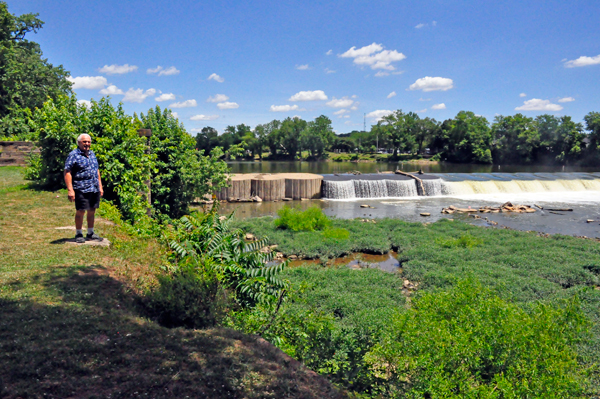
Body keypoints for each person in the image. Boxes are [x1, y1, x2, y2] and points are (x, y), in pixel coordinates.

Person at [64, 133, 104, 243]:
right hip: (80, 188)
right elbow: (67, 171)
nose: (87, 144)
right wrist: (70, 189)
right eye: (84, 142)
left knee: (92, 210)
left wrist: (100, 186)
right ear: (79, 143)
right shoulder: (74, 155)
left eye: (88, 142)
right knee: (80, 211)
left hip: (94, 188)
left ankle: (90, 233)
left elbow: (96, 170)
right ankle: (78, 233)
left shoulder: (92, 154)